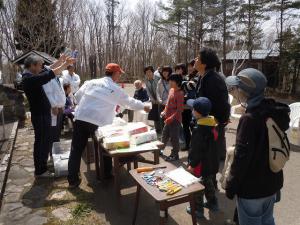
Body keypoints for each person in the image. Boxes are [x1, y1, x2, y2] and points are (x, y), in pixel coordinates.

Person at [68, 63, 151, 188]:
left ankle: (72, 180)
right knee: (104, 147)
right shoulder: (115, 88)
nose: (119, 77)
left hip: (81, 118)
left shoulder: (91, 82)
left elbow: (77, 96)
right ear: (115, 73)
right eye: (119, 74)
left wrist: (88, 107)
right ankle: (106, 174)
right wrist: (144, 106)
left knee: (76, 149)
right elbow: (129, 103)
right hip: (98, 122)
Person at [225, 68, 290, 225]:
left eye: (236, 88)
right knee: (267, 220)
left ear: (244, 91)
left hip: (252, 189)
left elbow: (241, 157)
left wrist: (231, 185)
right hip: (272, 183)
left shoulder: (249, 119)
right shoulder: (273, 110)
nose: (235, 92)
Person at [22, 54, 75, 178]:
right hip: (40, 115)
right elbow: (49, 74)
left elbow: (48, 69)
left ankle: (42, 167)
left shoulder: (32, 74)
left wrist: (60, 61)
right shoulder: (29, 79)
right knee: (42, 143)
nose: (42, 68)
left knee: (44, 141)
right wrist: (65, 65)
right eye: (40, 65)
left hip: (42, 113)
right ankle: (40, 170)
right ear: (32, 66)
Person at [194, 47, 230, 186]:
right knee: (204, 155)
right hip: (204, 123)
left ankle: (210, 190)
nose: (195, 60)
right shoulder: (204, 76)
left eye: (197, 58)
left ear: (204, 63)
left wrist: (215, 122)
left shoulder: (213, 79)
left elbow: (222, 105)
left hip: (211, 125)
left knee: (210, 156)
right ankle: (208, 183)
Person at [186, 97, 219, 218]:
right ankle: (213, 203)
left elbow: (196, 150)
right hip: (210, 162)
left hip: (200, 164)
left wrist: (192, 164)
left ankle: (197, 209)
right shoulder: (212, 124)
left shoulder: (199, 130)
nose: (192, 111)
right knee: (208, 182)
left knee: (197, 186)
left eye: (193, 109)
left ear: (198, 112)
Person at [160, 74, 184, 161]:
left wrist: (171, 118)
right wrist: (164, 111)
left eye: (171, 81)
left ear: (177, 82)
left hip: (175, 120)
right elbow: (167, 104)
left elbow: (179, 110)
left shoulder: (180, 93)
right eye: (169, 80)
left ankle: (175, 154)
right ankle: (160, 149)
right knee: (164, 134)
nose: (169, 82)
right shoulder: (171, 90)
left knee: (174, 138)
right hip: (167, 118)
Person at [43, 69, 66, 144]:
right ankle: (52, 149)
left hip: (60, 107)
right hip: (54, 108)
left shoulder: (58, 79)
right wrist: (54, 106)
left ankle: (56, 146)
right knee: (53, 129)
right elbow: (48, 93)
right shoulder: (49, 79)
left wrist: (63, 105)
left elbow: (61, 93)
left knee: (58, 129)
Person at [144, 65, 161, 133]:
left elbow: (159, 89)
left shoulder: (158, 78)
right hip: (153, 100)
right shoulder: (146, 80)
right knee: (154, 114)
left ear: (153, 72)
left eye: (150, 72)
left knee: (160, 114)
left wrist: (158, 99)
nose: (148, 73)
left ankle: (162, 129)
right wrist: (153, 99)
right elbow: (147, 90)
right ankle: (157, 129)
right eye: (147, 72)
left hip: (160, 98)